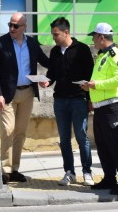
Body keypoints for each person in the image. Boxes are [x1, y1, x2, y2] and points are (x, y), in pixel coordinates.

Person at [0, 12, 50, 184]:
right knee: (8, 129)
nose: (12, 28)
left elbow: (45, 61)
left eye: (16, 26)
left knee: (21, 132)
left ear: (24, 27)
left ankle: (14, 168)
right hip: (8, 94)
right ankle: (5, 170)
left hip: (28, 92)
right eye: (10, 25)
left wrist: (50, 75)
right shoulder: (0, 42)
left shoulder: (31, 42)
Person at [40, 17, 95, 186]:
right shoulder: (55, 51)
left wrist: (90, 100)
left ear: (66, 32)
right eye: (52, 35)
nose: (54, 38)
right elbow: (52, 73)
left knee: (81, 136)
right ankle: (69, 172)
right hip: (60, 100)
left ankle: (87, 172)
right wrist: (47, 81)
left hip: (78, 99)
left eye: (56, 34)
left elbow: (91, 75)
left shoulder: (82, 49)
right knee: (64, 138)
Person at [79, 23, 118, 195]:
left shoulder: (116, 55)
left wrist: (95, 85)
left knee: (117, 145)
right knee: (102, 146)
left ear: (102, 37)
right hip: (101, 108)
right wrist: (90, 87)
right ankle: (110, 178)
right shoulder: (102, 55)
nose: (92, 40)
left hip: (113, 107)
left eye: (94, 36)